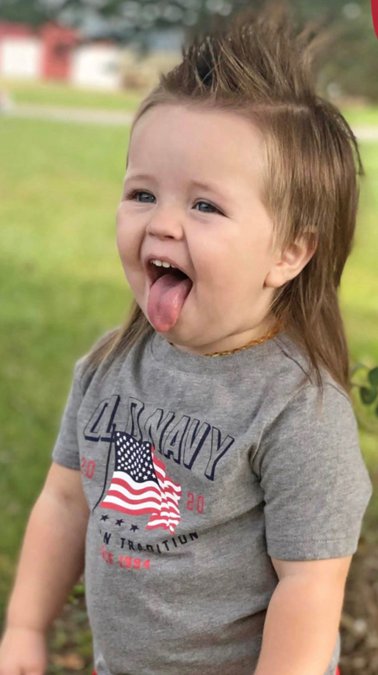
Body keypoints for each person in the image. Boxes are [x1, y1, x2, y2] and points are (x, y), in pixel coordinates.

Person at [0, 4, 373, 674]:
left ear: (289, 251)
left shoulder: (298, 411)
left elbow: (310, 586)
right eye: (143, 193)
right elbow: (64, 500)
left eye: (204, 205)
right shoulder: (111, 366)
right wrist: (26, 625)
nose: (162, 223)